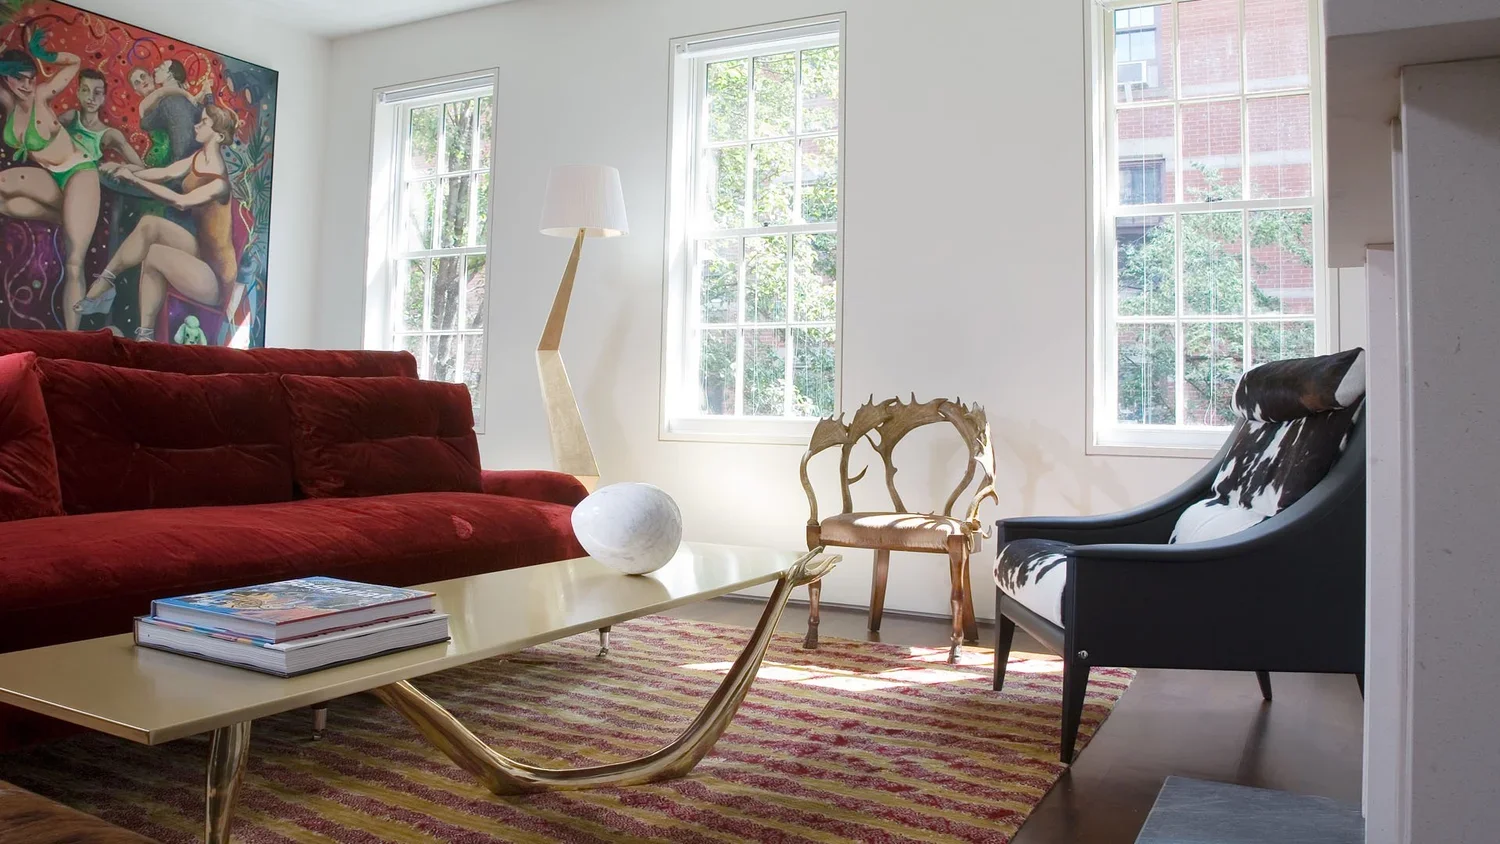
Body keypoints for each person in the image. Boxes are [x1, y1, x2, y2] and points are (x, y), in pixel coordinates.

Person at [75, 106, 239, 341]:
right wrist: (125, 169)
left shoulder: (219, 183)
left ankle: (145, 336)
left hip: (215, 277)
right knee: (149, 224)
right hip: (201, 252)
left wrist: (133, 179)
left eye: (203, 122)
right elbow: (164, 173)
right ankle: (105, 286)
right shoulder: (199, 158)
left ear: (219, 136)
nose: (196, 125)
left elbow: (180, 202)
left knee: (154, 255)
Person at [0, 29, 100, 330]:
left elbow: (73, 64)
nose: (28, 84)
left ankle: (72, 338)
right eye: (20, 78)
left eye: (31, 77)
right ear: (7, 79)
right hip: (52, 180)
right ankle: (68, 219)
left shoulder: (41, 95)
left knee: (73, 263)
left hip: (79, 174)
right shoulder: (8, 102)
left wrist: (47, 56)